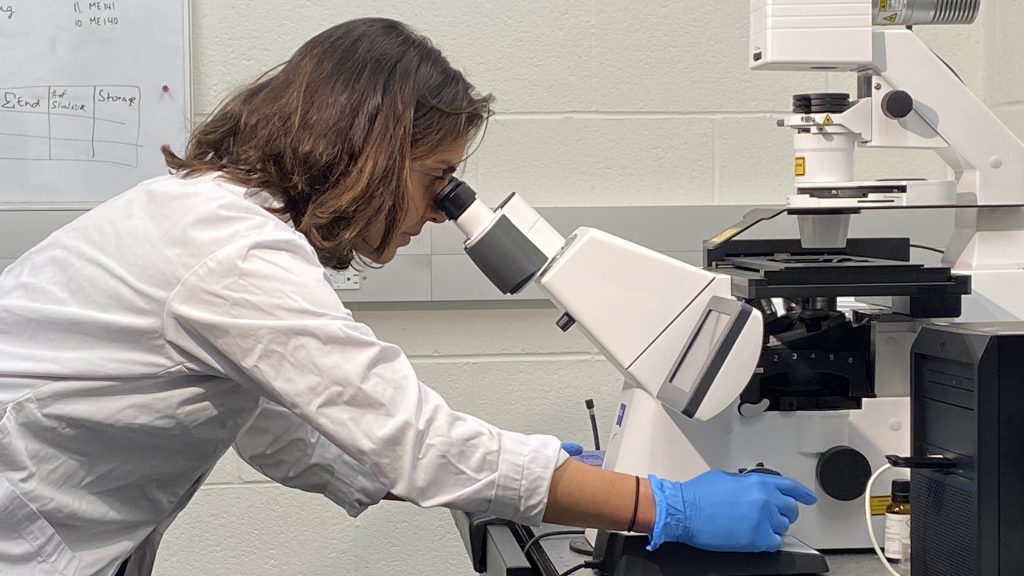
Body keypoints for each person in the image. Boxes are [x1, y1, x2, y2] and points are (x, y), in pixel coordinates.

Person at [0, 17, 815, 576]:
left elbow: (293, 438)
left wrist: (554, 473)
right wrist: (656, 504)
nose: (437, 212)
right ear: (369, 151)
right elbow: (416, 443)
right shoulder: (233, 252)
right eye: (437, 182)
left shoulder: (218, 225)